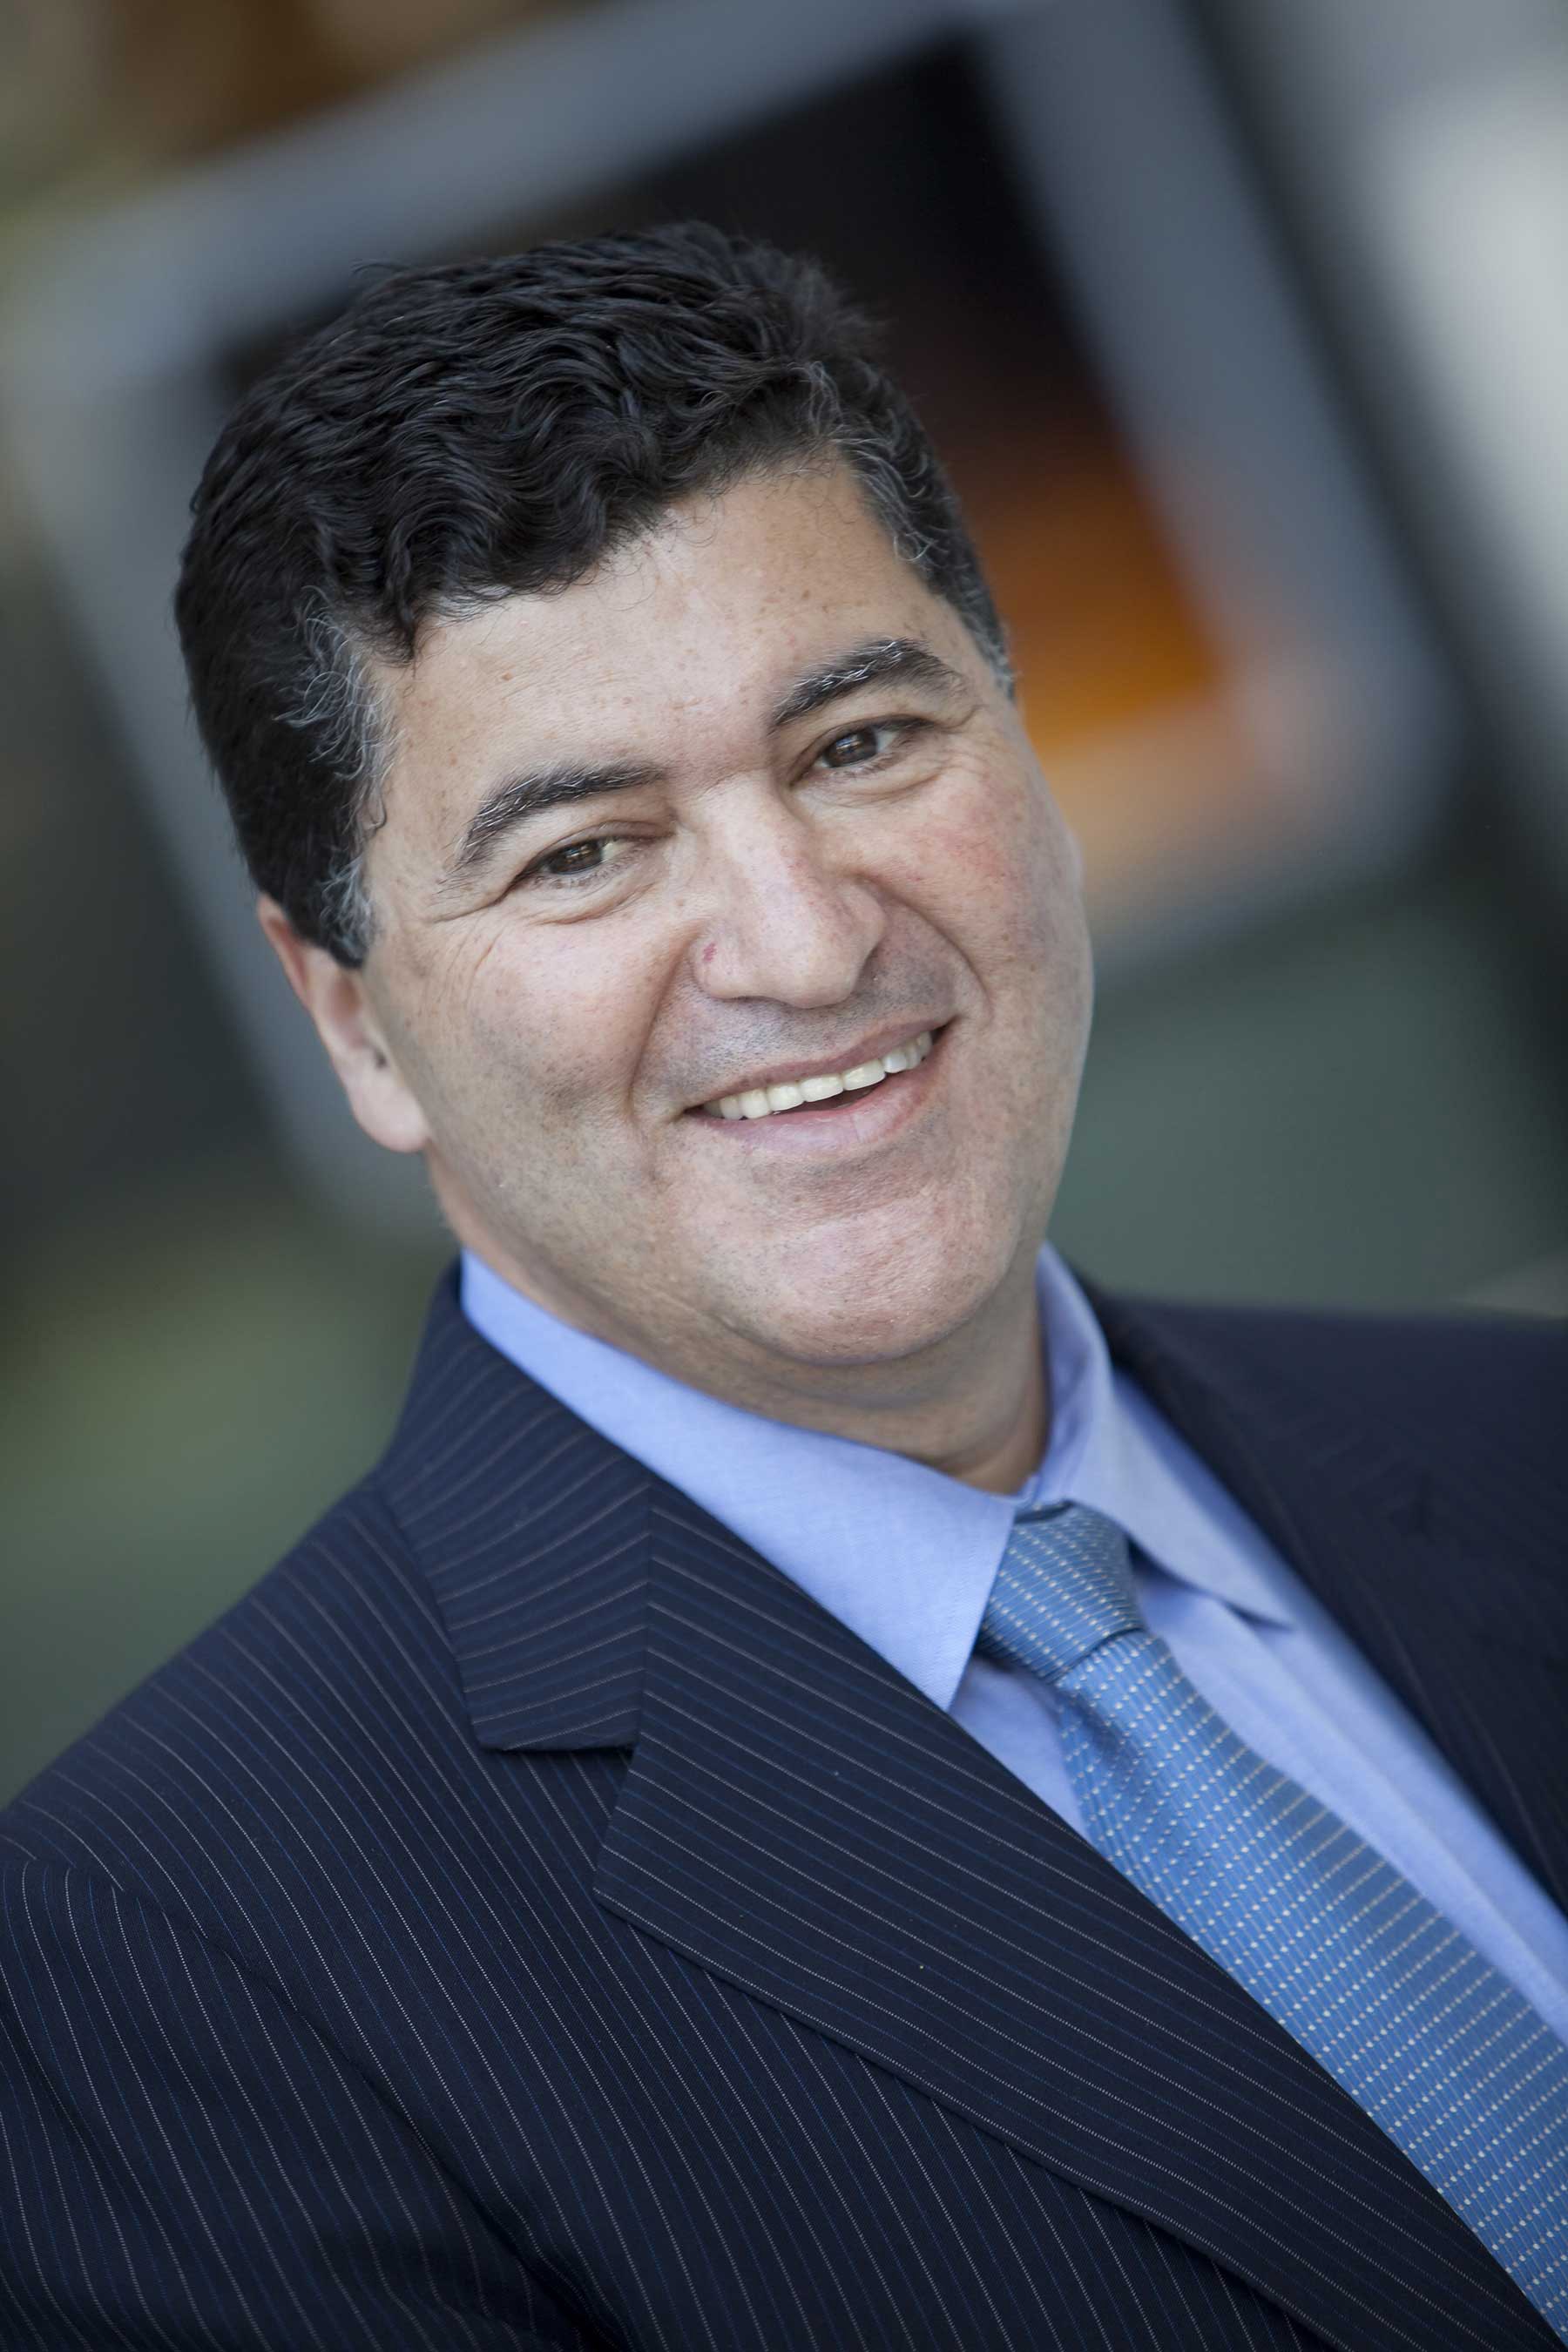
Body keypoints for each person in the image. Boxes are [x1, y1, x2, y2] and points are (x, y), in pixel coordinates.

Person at [1, 223, 1565, 2352]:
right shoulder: (170, 1970)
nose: (809, 943)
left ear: (1019, 735)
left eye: (860, 745)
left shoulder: (1520, 1442)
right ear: (355, 1023)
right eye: (584, 853)